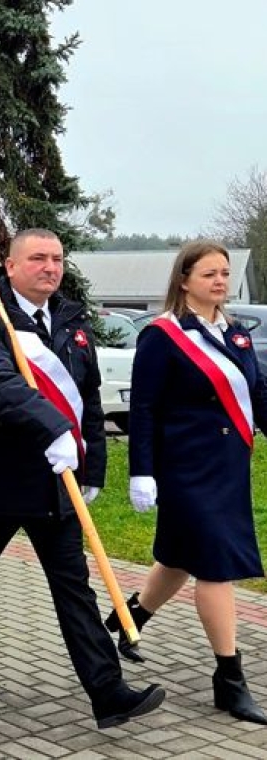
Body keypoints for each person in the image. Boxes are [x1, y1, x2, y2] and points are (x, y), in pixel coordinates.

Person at [0, 228, 165, 730]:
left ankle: (107, 692)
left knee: (74, 588)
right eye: (38, 258)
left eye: (57, 258)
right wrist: (53, 426)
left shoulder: (70, 319)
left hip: (55, 483)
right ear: (11, 266)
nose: (50, 267)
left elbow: (87, 397)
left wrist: (94, 466)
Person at [106, 240, 267, 724]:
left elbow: (257, 393)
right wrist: (141, 471)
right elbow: (146, 408)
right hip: (185, 468)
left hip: (228, 464)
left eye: (223, 274)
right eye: (208, 274)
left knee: (178, 559)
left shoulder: (236, 335)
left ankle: (125, 620)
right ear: (184, 280)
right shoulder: (163, 336)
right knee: (215, 566)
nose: (219, 282)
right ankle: (229, 679)